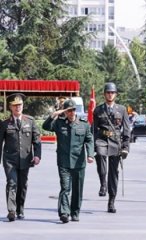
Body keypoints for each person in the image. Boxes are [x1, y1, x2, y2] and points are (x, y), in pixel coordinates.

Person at [42, 99, 94, 223]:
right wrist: (54, 114)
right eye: (68, 110)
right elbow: (45, 126)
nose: (71, 113)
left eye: (73, 110)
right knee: (65, 187)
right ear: (65, 112)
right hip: (63, 161)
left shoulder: (84, 124)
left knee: (77, 188)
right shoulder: (59, 123)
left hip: (79, 162)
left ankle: (75, 212)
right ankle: (64, 212)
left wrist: (90, 155)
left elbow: (89, 140)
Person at [0, 93, 41, 222]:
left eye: (20, 105)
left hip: (25, 159)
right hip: (10, 159)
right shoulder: (5, 124)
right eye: (15, 105)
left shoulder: (30, 121)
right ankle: (11, 210)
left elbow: (36, 140)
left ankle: (20, 209)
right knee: (12, 182)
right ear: (11, 107)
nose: (18, 107)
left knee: (22, 185)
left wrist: (37, 155)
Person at [93, 82, 130, 213]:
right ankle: (103, 183)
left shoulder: (122, 109)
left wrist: (126, 147)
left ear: (116, 94)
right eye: (108, 92)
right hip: (101, 139)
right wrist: (92, 146)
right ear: (104, 94)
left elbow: (126, 129)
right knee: (100, 155)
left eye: (112, 92)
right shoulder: (98, 110)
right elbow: (94, 129)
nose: (110, 94)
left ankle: (111, 201)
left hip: (115, 141)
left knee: (114, 174)